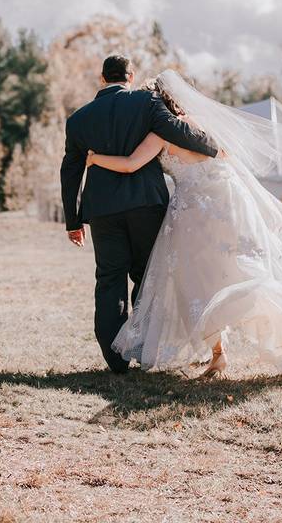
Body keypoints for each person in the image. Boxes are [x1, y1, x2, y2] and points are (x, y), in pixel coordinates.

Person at [87, 70, 282, 377]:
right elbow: (226, 162)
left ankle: (219, 354)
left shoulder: (159, 133)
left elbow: (129, 165)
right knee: (246, 270)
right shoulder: (205, 126)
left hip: (193, 212)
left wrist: (94, 159)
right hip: (229, 202)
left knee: (197, 284)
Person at [59, 56, 219, 373]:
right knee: (147, 277)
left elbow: (71, 171)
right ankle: (145, 350)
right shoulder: (146, 102)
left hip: (102, 211)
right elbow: (177, 132)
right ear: (130, 77)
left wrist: (73, 221)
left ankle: (116, 360)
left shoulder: (78, 119)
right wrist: (215, 147)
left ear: (102, 78)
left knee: (109, 280)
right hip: (147, 205)